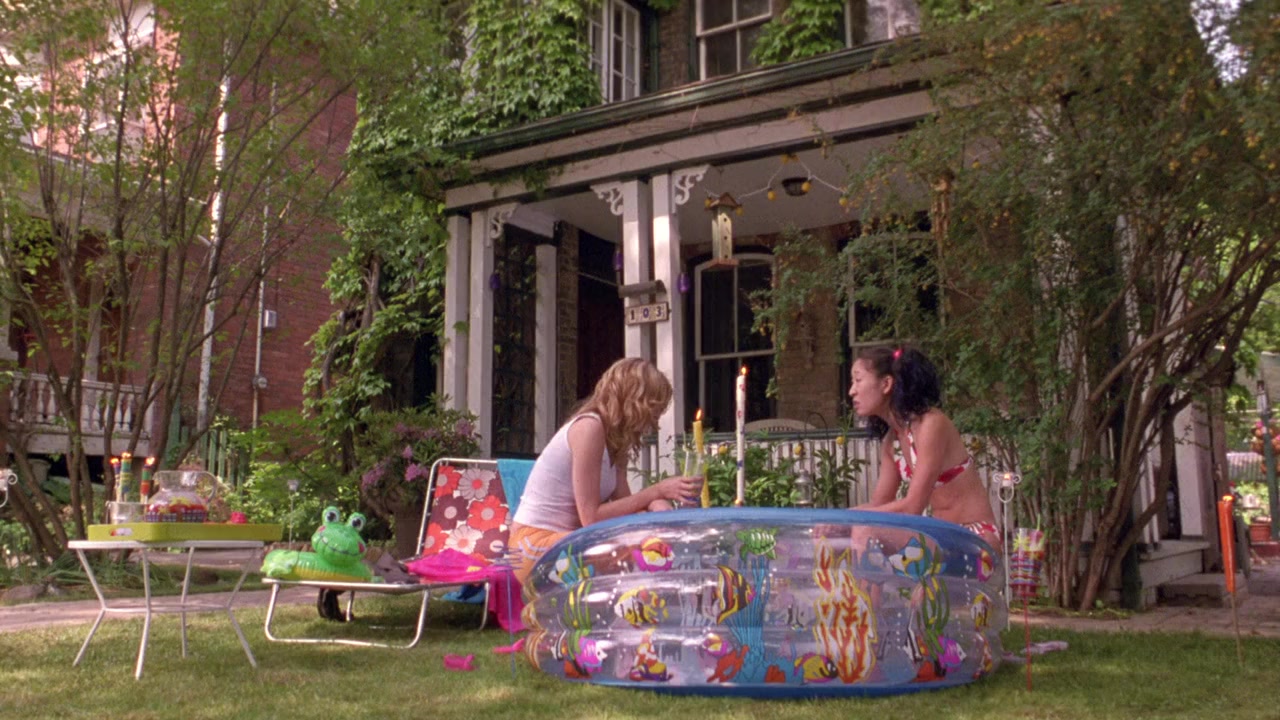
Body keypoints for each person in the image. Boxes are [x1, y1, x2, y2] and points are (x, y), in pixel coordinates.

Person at [508, 357, 702, 586]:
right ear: (633, 401)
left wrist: (655, 506)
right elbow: (591, 518)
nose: (655, 420)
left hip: (570, 540)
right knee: (638, 552)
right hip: (534, 545)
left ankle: (653, 604)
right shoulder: (589, 428)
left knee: (654, 542)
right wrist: (656, 491)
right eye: (653, 409)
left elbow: (626, 507)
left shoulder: (616, 440)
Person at [848, 345, 1000, 549]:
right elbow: (879, 505)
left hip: (974, 537)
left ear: (886, 384)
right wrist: (836, 521)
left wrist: (851, 518)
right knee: (840, 533)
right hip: (940, 536)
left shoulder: (931, 424)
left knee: (865, 531)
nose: (851, 391)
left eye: (858, 380)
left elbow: (913, 506)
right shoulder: (892, 442)